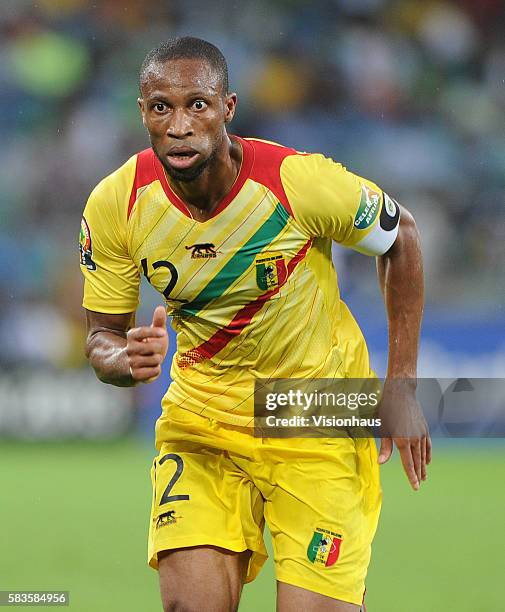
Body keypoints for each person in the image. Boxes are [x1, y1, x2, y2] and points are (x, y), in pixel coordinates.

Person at [80, 37, 431, 612]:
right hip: (203, 418)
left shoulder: (299, 182)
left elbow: (403, 237)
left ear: (228, 108)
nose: (179, 125)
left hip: (316, 409)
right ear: (141, 111)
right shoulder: (116, 203)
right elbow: (103, 337)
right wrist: (124, 360)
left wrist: (401, 383)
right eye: (161, 107)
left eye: (198, 104)